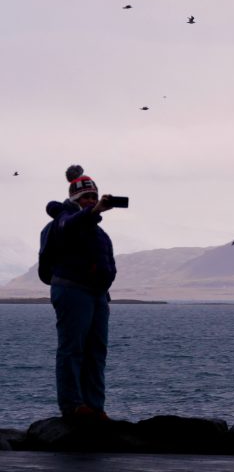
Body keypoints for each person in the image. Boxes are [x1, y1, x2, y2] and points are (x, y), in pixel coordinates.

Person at [47, 165, 117, 420]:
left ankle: (94, 406)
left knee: (96, 351)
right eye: (85, 197)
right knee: (72, 349)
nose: (91, 201)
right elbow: (71, 223)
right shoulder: (64, 220)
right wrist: (95, 211)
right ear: (74, 199)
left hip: (97, 294)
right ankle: (73, 406)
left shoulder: (97, 231)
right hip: (73, 290)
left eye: (94, 197)